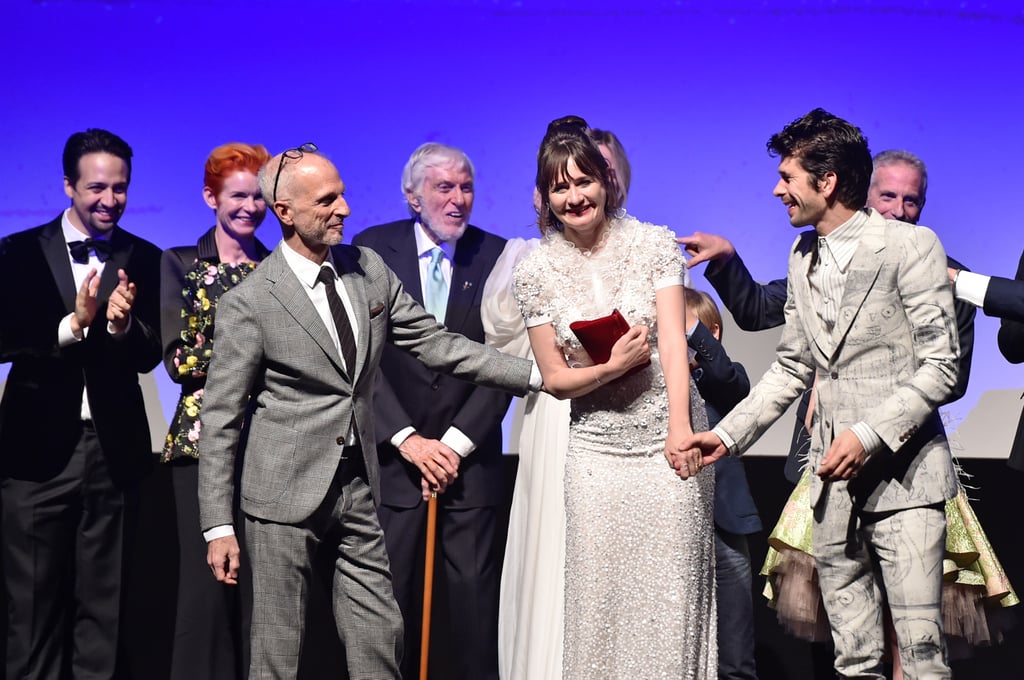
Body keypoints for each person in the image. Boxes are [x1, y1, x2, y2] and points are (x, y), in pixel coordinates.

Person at [196, 144, 539, 679]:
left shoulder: (367, 268)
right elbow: (219, 419)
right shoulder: (251, 300)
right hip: (281, 495)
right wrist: (218, 526)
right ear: (284, 211)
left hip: (359, 485)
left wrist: (539, 376)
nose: (345, 210)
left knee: (381, 633)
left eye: (344, 195)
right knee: (278, 648)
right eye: (328, 200)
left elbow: (438, 344)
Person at [683, 108, 960, 679]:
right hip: (830, 486)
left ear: (827, 181)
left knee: (922, 659)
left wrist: (867, 435)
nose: (778, 189)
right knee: (854, 659)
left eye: (788, 176)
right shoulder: (801, 256)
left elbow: (942, 367)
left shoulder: (911, 246)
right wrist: (726, 435)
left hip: (906, 479)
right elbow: (790, 368)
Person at [512, 116, 715, 679]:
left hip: (665, 442)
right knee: (597, 598)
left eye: (584, 181)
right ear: (545, 198)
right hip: (596, 450)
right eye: (560, 187)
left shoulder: (652, 243)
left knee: (670, 597)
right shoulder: (535, 271)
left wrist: (680, 427)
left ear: (606, 180)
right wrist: (613, 367)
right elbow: (553, 379)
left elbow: (673, 344)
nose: (575, 197)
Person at [679, 148, 976, 483]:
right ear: (865, 196)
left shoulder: (944, 275)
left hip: (903, 458)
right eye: (888, 196)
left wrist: (867, 422)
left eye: (911, 200)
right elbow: (758, 312)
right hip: (819, 449)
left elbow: (952, 375)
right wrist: (726, 260)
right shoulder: (817, 260)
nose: (898, 210)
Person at [0, 128, 163, 679]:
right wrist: (74, 325)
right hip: (35, 457)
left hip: (113, 456)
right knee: (32, 608)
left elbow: (150, 356)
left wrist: (120, 327)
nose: (109, 200)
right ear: (68, 185)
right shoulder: (17, 251)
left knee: (105, 609)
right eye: (97, 187)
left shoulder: (144, 256)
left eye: (120, 188)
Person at [351, 142, 512, 680]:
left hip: (471, 467)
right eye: (445, 188)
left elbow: (504, 362)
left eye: (466, 187)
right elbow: (359, 360)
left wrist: (453, 445)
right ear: (412, 197)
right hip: (395, 466)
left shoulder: (499, 256)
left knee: (473, 615)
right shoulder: (371, 251)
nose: (459, 199)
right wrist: (409, 440)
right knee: (387, 611)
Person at [159, 142, 272, 679]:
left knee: (264, 595)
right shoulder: (181, 262)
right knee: (204, 593)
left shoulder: (280, 269)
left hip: (270, 444)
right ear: (210, 197)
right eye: (238, 196)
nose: (251, 207)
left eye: (259, 197)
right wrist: (254, 348)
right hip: (201, 445)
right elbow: (179, 361)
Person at [684, 287, 762, 680]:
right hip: (674, 523)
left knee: (735, 648)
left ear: (712, 333)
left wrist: (691, 331)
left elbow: (727, 381)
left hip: (725, 523)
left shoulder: (728, 378)